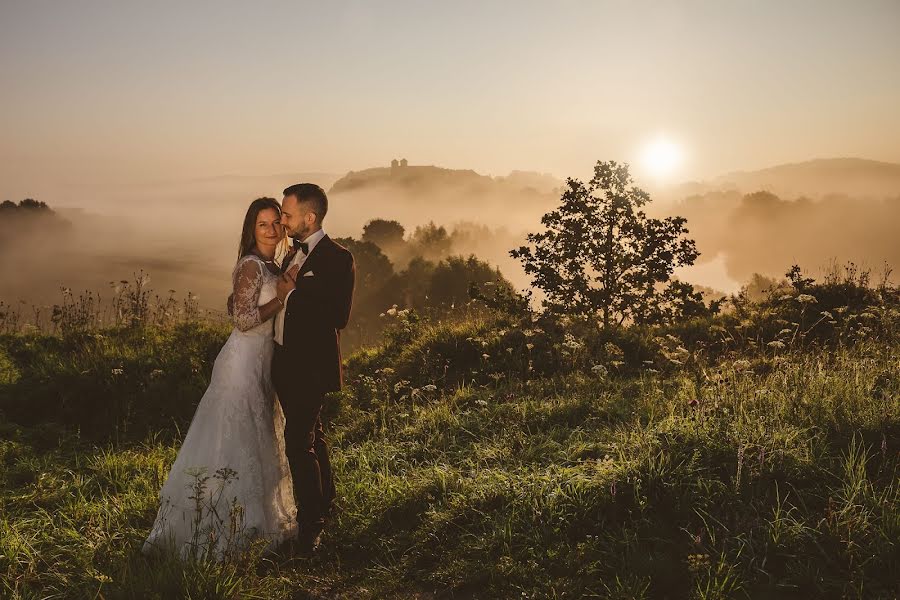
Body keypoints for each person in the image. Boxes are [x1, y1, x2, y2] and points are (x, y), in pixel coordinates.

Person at [143, 197, 297, 560]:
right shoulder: (251, 265)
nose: (272, 229)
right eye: (263, 224)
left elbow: (242, 305)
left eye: (276, 222)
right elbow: (242, 320)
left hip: (262, 362)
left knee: (258, 437)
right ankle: (217, 526)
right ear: (251, 229)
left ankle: (256, 522)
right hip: (241, 363)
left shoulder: (271, 264)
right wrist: (282, 298)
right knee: (233, 438)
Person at [272, 183, 355, 554]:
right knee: (312, 435)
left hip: (310, 368)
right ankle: (326, 502)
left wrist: (294, 294)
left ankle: (311, 526)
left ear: (310, 217)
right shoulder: (291, 252)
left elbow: (338, 316)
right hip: (284, 363)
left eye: (287, 215)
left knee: (297, 444)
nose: (282, 220)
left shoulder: (338, 258)